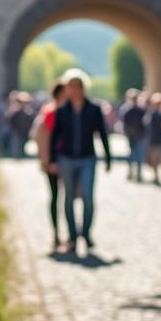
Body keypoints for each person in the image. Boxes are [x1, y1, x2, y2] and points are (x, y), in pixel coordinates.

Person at [49, 69, 113, 252]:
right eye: (71, 86)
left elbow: (102, 133)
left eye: (78, 86)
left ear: (83, 88)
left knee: (88, 197)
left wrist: (107, 156)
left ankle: (86, 233)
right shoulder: (62, 111)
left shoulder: (94, 109)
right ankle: (72, 236)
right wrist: (53, 160)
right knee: (68, 198)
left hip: (88, 158)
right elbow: (55, 136)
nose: (75, 90)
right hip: (67, 158)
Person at [34, 83, 68, 250]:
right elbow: (41, 138)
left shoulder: (68, 111)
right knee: (56, 197)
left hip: (67, 160)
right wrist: (47, 161)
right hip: (54, 161)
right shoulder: (50, 113)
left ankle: (69, 234)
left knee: (67, 199)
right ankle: (56, 233)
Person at [119, 89, 147, 182]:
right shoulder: (127, 110)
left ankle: (137, 174)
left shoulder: (139, 110)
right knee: (132, 155)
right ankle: (131, 173)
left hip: (138, 135)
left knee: (137, 155)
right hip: (132, 136)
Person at [146, 92, 161, 185]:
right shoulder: (153, 114)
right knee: (155, 161)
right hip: (155, 140)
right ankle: (157, 177)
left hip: (160, 141)